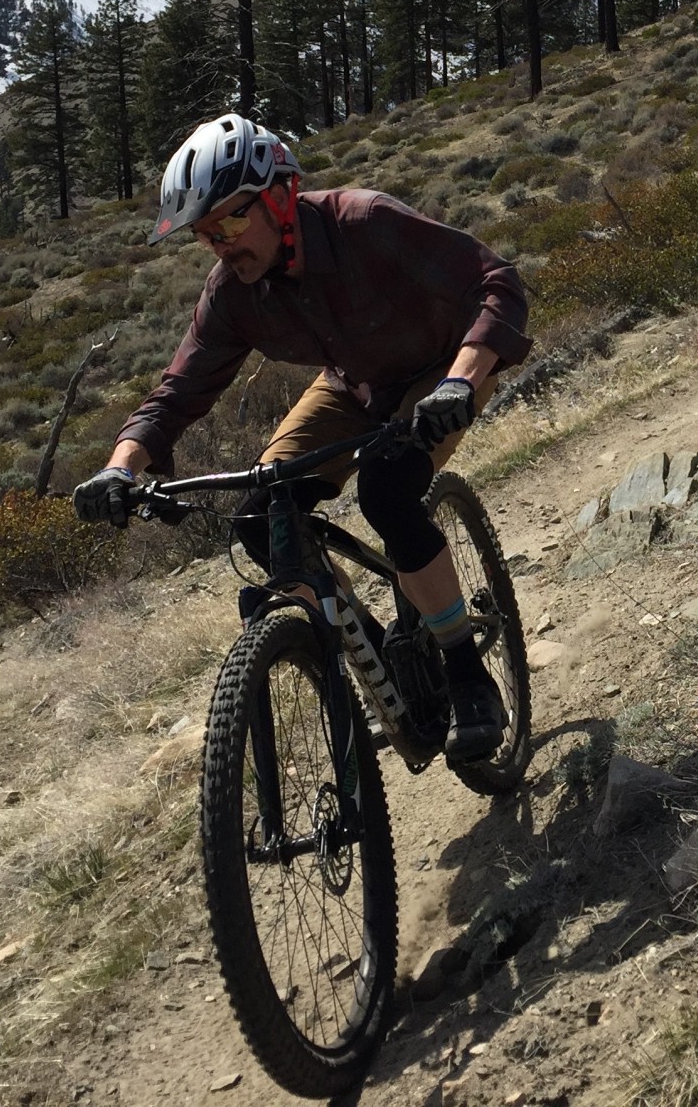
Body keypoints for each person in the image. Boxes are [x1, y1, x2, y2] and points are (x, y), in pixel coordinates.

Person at [72, 113, 531, 763]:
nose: (221, 246)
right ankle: (382, 657)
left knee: (388, 491)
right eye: (206, 235)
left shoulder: (364, 223)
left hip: (442, 369)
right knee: (263, 516)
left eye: (231, 224)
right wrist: (119, 468)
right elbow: (177, 391)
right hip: (351, 385)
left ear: (281, 195)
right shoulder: (233, 293)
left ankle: (465, 673)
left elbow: (495, 282)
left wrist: (460, 382)